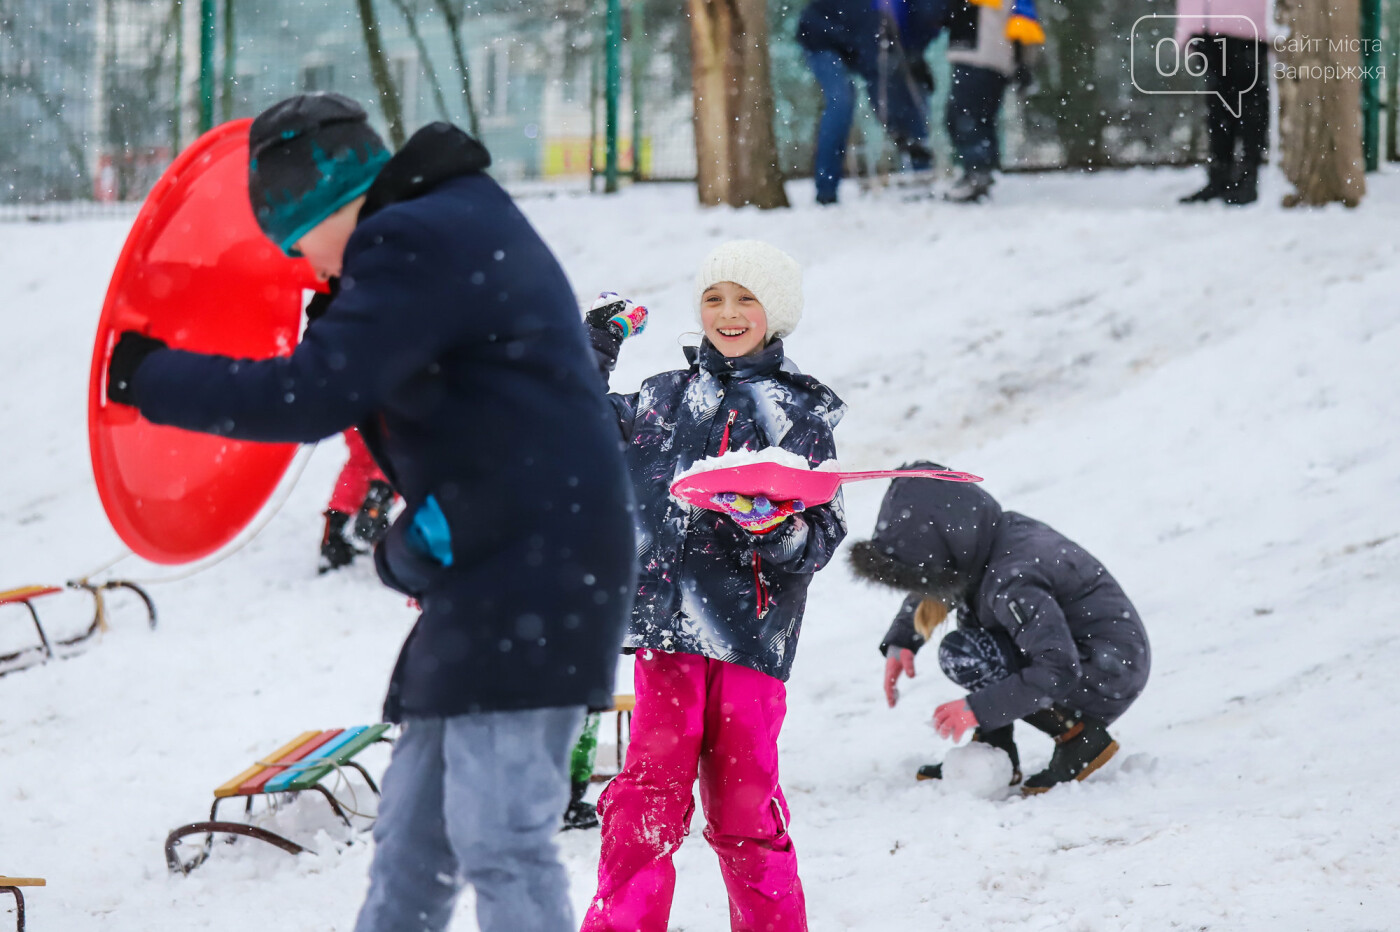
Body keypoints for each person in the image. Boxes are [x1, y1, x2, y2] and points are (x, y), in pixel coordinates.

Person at [104, 93, 635, 932]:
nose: (306, 267)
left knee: (501, 840)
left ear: (323, 204)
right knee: (414, 846)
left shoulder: (413, 235)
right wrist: (425, 539)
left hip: (532, 574)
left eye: (297, 244)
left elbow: (311, 394)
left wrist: (151, 377)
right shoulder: (443, 220)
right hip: (505, 567)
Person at [580, 242, 847, 932]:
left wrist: (772, 530)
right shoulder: (664, 399)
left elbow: (821, 535)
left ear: (775, 312)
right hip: (669, 635)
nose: (728, 314)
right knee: (648, 802)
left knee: (744, 809)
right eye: (715, 298)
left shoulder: (797, 414)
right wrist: (593, 346)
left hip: (750, 640)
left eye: (745, 299)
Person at [851, 464, 1149, 794]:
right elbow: (937, 585)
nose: (927, 586)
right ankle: (996, 751)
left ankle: (1078, 736)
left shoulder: (1013, 578)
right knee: (972, 647)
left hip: (1107, 668)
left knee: (967, 653)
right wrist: (902, 641)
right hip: (1090, 655)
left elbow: (1057, 668)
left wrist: (976, 709)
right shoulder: (985, 543)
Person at [797, 0, 946, 204]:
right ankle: (826, 191)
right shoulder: (881, 14)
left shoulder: (918, 15)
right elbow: (873, 57)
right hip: (823, 36)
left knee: (900, 97)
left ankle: (921, 172)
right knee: (841, 101)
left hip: (868, 41)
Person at [942, 0, 1044, 202]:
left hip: (984, 56)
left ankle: (977, 173)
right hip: (982, 56)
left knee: (968, 117)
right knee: (969, 117)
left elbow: (1021, 20)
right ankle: (978, 171)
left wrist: (1022, 61)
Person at [1175, 0, 1270, 205]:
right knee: (1218, 107)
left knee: (1250, 105)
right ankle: (1220, 178)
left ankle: (1248, 179)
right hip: (1204, 23)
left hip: (1245, 23)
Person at [319, 426, 398, 574]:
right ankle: (377, 503)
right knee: (396, 450)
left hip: (351, 406)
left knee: (361, 456)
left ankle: (334, 537)